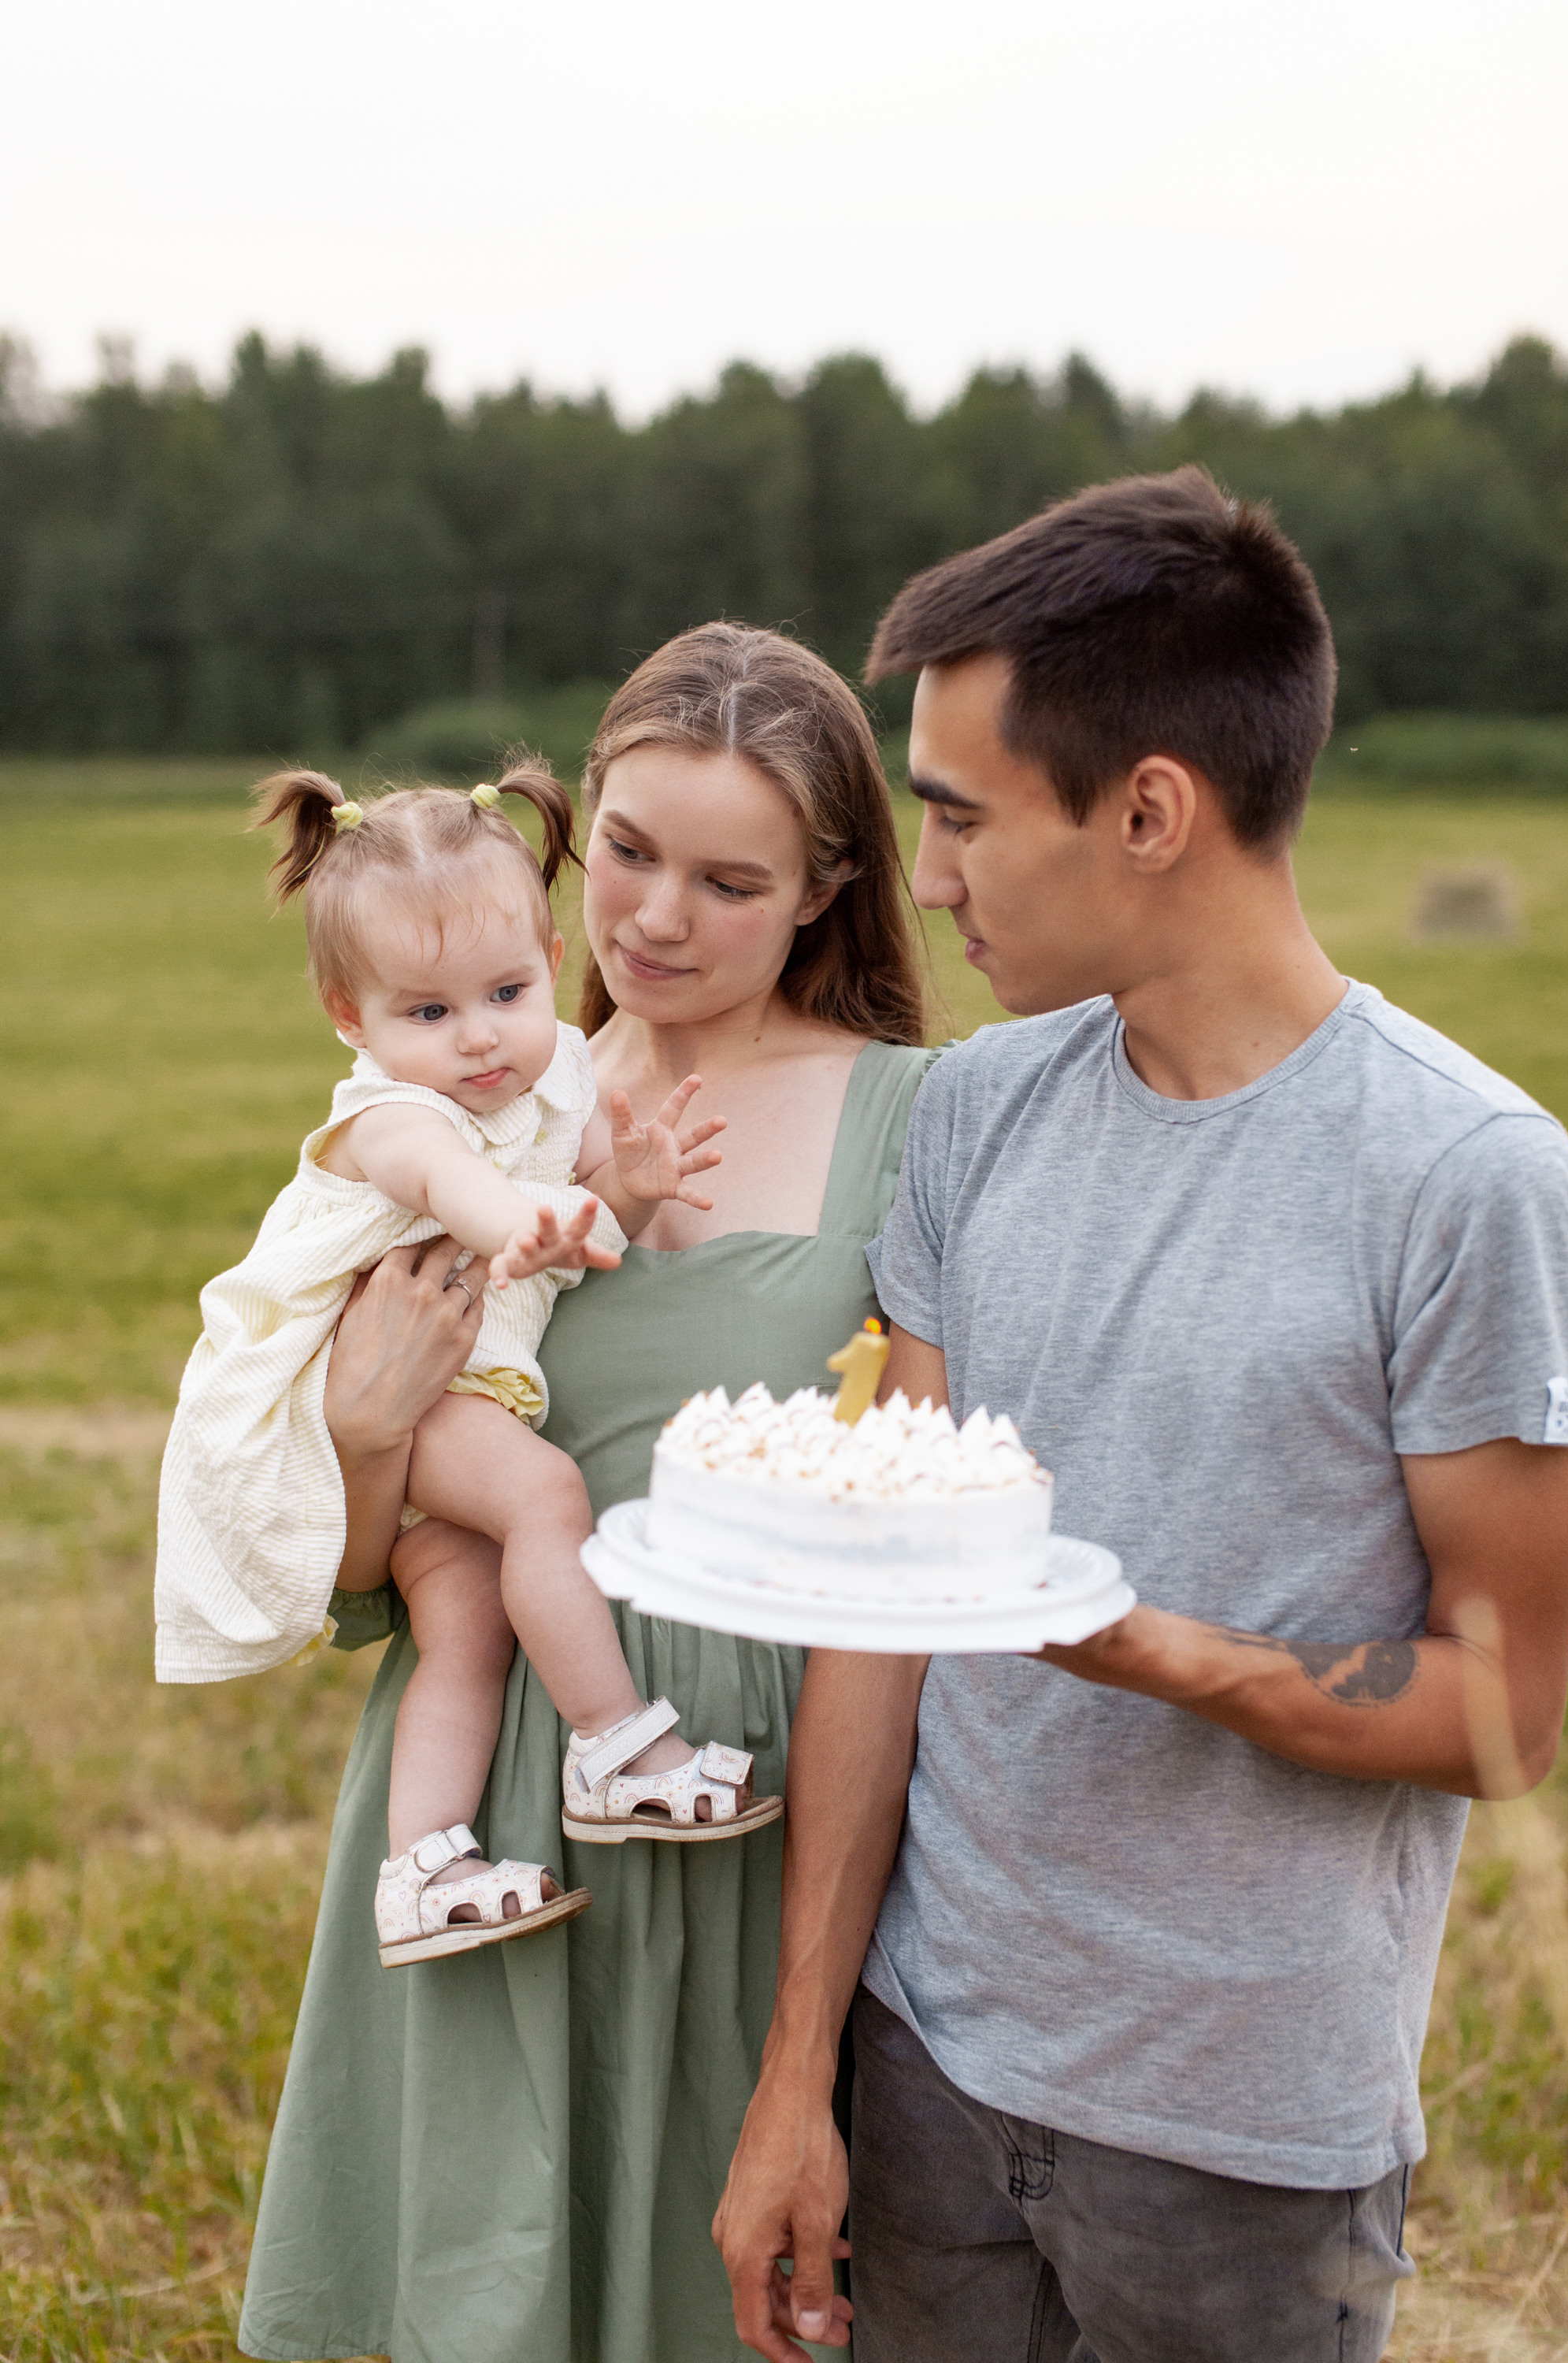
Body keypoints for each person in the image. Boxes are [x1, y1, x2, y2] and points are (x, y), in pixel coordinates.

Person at [714, 469, 1568, 2363]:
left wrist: (1175, 1657)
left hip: (1246, 2142)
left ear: (1152, 810)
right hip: (928, 2063)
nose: (925, 881)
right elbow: (888, 1616)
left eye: (957, 818)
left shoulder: (1466, 1180)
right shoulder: (971, 1116)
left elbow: (1502, 1713)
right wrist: (801, 2077)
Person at [237, 625, 937, 2362]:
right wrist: (361, 1435)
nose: (655, 918)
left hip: (740, 1782)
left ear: (827, 885)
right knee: (487, 2285)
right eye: (624, 852)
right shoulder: (474, 1104)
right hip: (486, 1787)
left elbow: (914, 1557)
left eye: (728, 877)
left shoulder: (915, 1114)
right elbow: (361, 1588)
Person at [161, 756, 780, 1975]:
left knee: (468, 1625)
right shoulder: (389, 1118)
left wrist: (627, 1190)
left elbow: (576, 1219)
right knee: (547, 1496)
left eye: (503, 992)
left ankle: (427, 1868)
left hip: (464, 1383)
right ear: (354, 1017)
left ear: (551, 963)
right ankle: (614, 1748)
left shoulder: (562, 1075)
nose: (478, 1038)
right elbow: (473, 1199)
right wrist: (535, 1225)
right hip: (398, 1378)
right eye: (428, 1014)